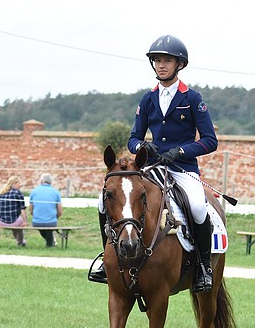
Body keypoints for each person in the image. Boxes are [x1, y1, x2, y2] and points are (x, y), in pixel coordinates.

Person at [89, 34, 218, 292]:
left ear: (179, 64)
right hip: (151, 169)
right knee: (104, 202)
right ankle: (107, 259)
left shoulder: (192, 98)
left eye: (167, 61)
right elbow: (134, 137)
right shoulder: (148, 99)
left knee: (197, 206)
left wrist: (181, 150)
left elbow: (210, 141)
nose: (161, 65)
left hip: (183, 170)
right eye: (157, 60)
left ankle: (203, 267)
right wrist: (141, 147)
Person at [29, 173, 63, 247]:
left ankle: (51, 244)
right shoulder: (56, 192)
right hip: (51, 222)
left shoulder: (33, 192)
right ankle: (50, 244)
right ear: (51, 182)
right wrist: (54, 217)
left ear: (41, 181)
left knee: (43, 228)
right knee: (49, 229)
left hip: (36, 222)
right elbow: (60, 211)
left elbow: (31, 211)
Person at [0, 175, 27, 246]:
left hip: (2, 222)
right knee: (19, 225)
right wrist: (25, 221)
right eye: (19, 183)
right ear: (14, 184)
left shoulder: (2, 193)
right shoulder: (18, 193)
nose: (20, 185)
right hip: (14, 222)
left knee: (15, 226)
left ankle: (20, 242)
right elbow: (22, 209)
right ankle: (20, 242)